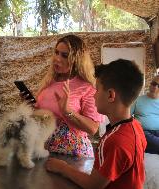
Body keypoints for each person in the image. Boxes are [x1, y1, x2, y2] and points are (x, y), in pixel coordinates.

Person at [45, 59, 146, 189]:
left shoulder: (114, 141)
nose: (93, 96)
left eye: (97, 90)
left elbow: (93, 185)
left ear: (110, 95)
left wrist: (62, 168)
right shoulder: (136, 126)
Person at [30, 34, 103, 157]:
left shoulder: (87, 87)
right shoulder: (49, 82)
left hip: (73, 155)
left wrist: (67, 111)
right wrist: (33, 107)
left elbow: (92, 128)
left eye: (64, 55)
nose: (57, 59)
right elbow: (46, 115)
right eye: (56, 52)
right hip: (45, 151)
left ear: (77, 59)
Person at [131, 75, 159, 154]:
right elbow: (126, 116)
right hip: (144, 131)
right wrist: (134, 121)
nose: (155, 87)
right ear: (150, 85)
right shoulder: (138, 100)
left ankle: (150, 148)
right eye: (154, 84)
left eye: (158, 86)